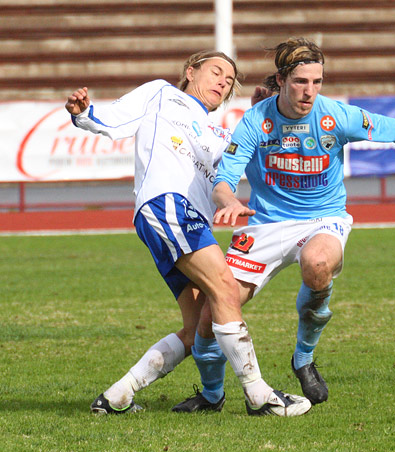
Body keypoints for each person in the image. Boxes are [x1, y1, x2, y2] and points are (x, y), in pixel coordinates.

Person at [172, 37, 395, 411]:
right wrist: (228, 201)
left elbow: (393, 128)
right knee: (210, 319)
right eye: (300, 82)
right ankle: (212, 396)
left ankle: (303, 358)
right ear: (281, 79)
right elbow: (224, 178)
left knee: (318, 264)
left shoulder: (335, 116)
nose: (310, 91)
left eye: (317, 82)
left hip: (322, 219)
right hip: (264, 225)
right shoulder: (257, 121)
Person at [64, 50, 311, 417]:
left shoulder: (219, 134)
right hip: (167, 206)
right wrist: (83, 111)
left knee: (198, 327)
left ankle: (116, 397)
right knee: (226, 288)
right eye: (215, 72)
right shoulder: (161, 93)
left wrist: (264, 118)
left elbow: (248, 162)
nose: (222, 82)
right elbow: (110, 120)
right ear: (190, 72)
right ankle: (260, 397)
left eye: (228, 82)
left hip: (181, 220)